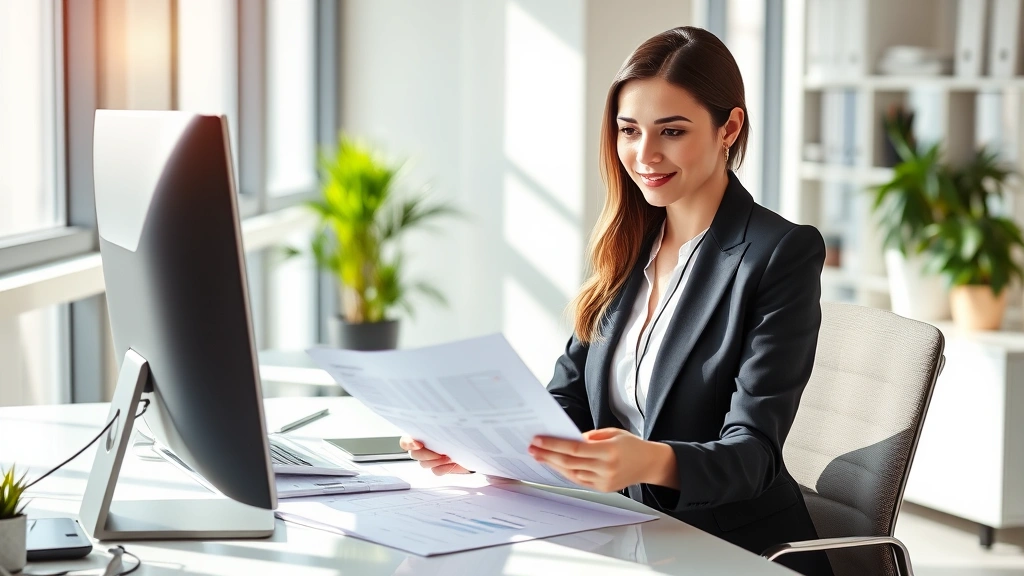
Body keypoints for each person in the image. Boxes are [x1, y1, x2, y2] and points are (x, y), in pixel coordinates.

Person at [400, 26, 833, 576]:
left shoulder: (778, 254)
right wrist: (479, 446)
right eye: (629, 130)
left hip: (731, 549)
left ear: (730, 127)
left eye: (671, 131)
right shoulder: (627, 244)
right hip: (622, 531)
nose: (645, 154)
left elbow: (753, 457)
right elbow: (570, 402)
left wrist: (650, 460)